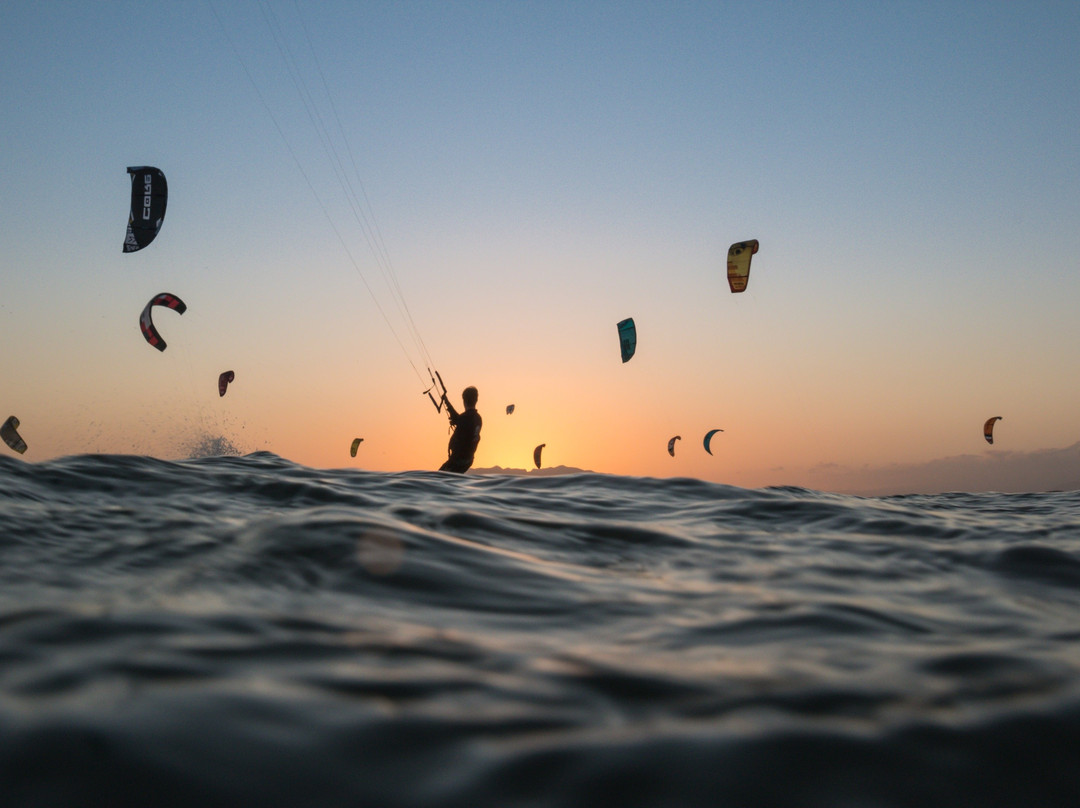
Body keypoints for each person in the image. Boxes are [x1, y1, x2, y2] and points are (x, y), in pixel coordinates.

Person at [439, 386, 482, 473]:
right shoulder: (478, 418)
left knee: (438, 477)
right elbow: (459, 419)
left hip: (457, 461)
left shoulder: (465, 418)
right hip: (468, 461)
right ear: (476, 400)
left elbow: (459, 420)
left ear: (464, 401)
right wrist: (447, 403)